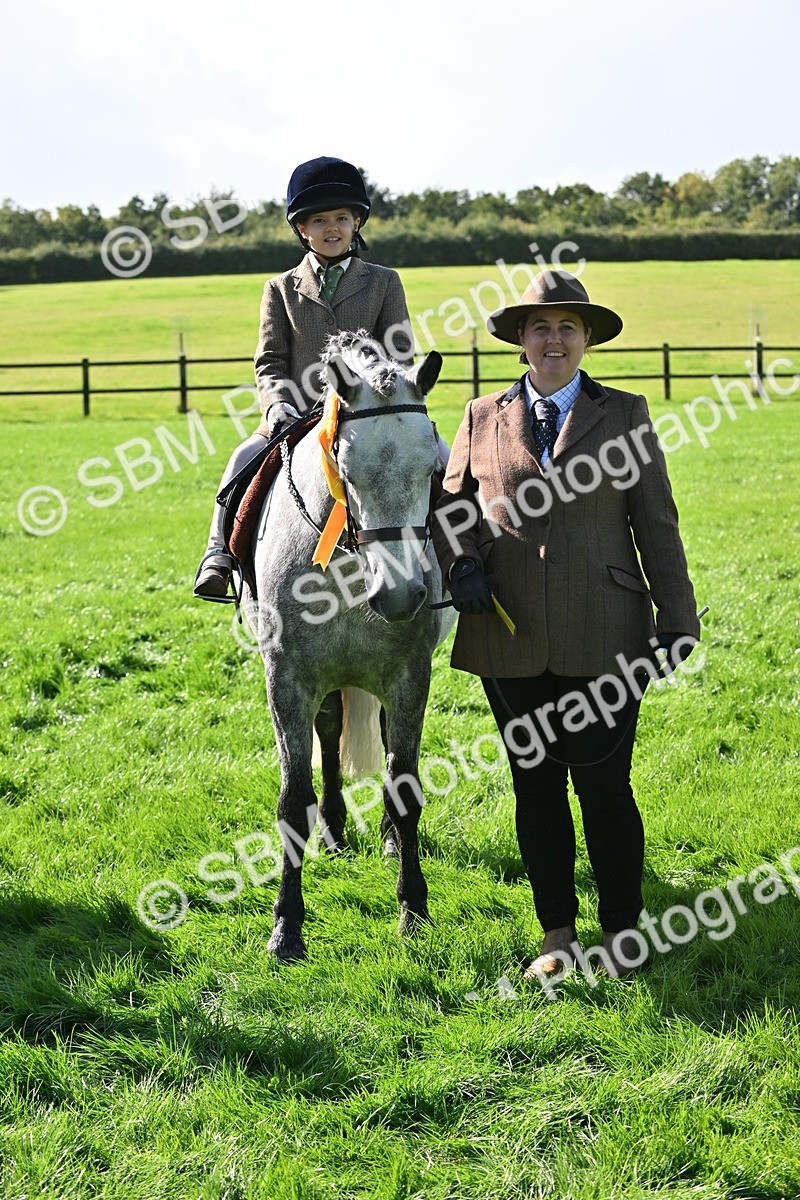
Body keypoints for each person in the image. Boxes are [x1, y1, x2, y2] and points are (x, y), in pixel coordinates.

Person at [432, 269, 701, 979]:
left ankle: (621, 935)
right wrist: (461, 563)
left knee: (607, 789)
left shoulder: (627, 414)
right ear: (521, 341)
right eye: (540, 327)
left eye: (568, 328)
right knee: (535, 785)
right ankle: (557, 937)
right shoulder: (478, 417)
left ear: (585, 341)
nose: (554, 338)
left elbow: (657, 524)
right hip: (506, 630)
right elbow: (452, 506)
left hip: (607, 631)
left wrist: (678, 620)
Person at [194, 156, 414, 598]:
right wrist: (277, 404)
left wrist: (384, 398)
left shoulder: (385, 282)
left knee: (438, 458)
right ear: (302, 229)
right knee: (241, 458)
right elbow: (269, 361)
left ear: (357, 222)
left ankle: (451, 554)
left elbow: (401, 354)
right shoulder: (279, 289)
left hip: (367, 418)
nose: (332, 228)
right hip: (296, 418)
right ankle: (219, 554)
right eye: (319, 220)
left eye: (341, 218)